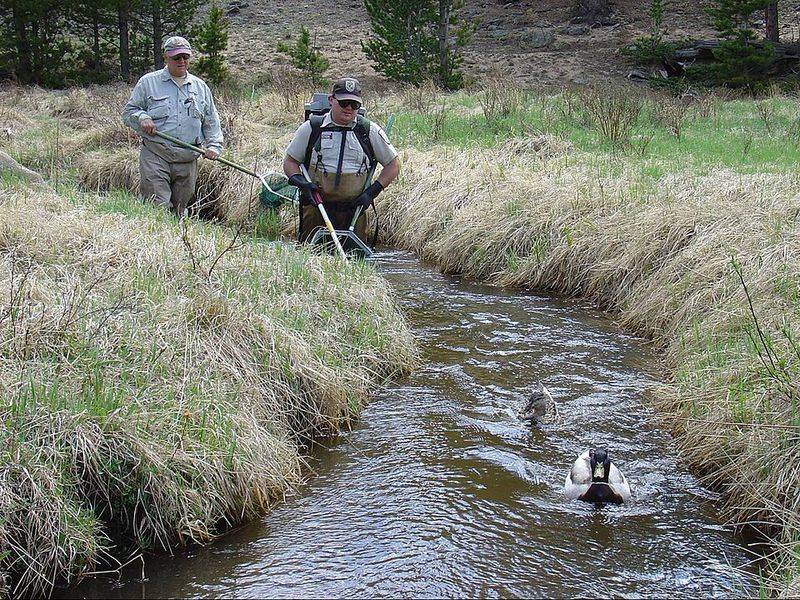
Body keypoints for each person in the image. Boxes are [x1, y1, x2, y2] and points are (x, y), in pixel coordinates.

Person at [283, 77, 400, 243]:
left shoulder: (369, 131)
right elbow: (290, 161)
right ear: (331, 100)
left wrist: (372, 192)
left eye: (355, 105)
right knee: (311, 257)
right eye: (344, 103)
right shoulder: (312, 128)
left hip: (354, 212)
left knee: (355, 261)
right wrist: (301, 182)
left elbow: (393, 164)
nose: (349, 108)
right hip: (316, 208)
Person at [121, 36, 223, 217]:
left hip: (188, 157)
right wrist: (142, 117)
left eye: (185, 57)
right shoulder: (148, 82)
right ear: (166, 57)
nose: (182, 61)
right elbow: (129, 112)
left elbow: (211, 120)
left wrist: (214, 146)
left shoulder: (200, 87)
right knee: (157, 209)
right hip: (156, 154)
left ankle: (177, 243)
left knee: (179, 211)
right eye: (177, 57)